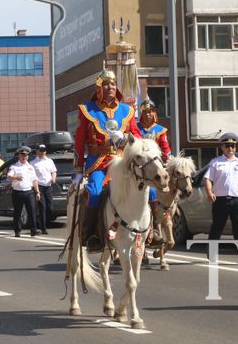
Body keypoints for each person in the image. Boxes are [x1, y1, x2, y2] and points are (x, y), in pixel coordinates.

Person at [72, 69, 141, 252]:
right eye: (106, 84)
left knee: (147, 191)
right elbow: (79, 142)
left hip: (122, 161)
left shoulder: (127, 110)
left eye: (112, 83)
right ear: (99, 88)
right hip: (98, 163)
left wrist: (126, 138)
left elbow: (138, 137)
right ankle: (90, 235)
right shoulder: (87, 110)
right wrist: (78, 170)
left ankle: (149, 232)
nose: (110, 86)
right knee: (94, 194)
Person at [205, 133, 238, 265]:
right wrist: (209, 192)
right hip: (220, 200)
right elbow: (208, 179)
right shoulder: (216, 162)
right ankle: (212, 253)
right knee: (217, 227)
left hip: (237, 200)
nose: (230, 148)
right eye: (227, 146)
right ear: (222, 147)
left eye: (233, 146)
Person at [137, 98, 173, 248]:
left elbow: (166, 150)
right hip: (139, 168)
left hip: (155, 169)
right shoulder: (135, 129)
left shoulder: (160, 130)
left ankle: (160, 220)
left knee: (168, 190)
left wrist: (171, 160)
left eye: (151, 111)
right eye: (145, 112)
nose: (148, 114)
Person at [8, 146, 40, 237]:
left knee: (32, 211)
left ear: (28, 156)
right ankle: (17, 230)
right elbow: (9, 177)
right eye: (22, 155)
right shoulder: (14, 166)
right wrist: (16, 177)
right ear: (19, 155)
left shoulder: (31, 167)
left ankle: (33, 230)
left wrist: (37, 192)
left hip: (29, 192)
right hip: (18, 192)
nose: (24, 157)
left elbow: (34, 181)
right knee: (17, 212)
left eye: (26, 155)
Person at [30, 144, 56, 234]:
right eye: (40, 150)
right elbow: (32, 177)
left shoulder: (50, 161)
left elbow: (54, 171)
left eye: (44, 150)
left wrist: (53, 178)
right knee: (42, 207)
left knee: (50, 208)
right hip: (39, 186)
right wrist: (36, 189)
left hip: (48, 186)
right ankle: (43, 228)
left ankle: (40, 221)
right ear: (37, 151)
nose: (42, 152)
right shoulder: (33, 163)